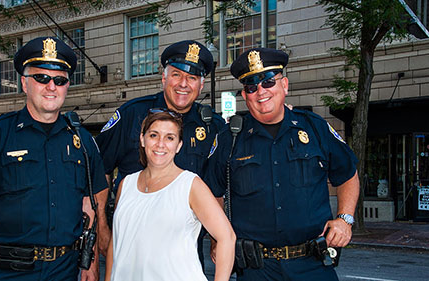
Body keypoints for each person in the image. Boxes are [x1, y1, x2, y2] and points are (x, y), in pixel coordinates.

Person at [0, 37, 107, 281]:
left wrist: (90, 262)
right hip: (9, 271)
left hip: (65, 270)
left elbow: (90, 206)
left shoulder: (82, 141)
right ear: (24, 82)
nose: (51, 86)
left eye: (60, 80)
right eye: (41, 78)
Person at [205, 48, 360, 280]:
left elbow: (347, 174)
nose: (260, 92)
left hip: (313, 265)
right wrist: (219, 237)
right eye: (251, 87)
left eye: (268, 82)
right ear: (245, 95)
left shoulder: (314, 128)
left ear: (284, 85)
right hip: (256, 269)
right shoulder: (229, 139)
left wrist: (345, 219)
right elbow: (211, 193)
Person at [95, 40, 226, 262]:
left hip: (185, 252)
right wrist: (101, 228)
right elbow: (100, 169)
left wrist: (216, 238)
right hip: (129, 245)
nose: (183, 84)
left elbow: (215, 187)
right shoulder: (132, 114)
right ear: (164, 77)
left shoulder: (213, 127)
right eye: (176, 75)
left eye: (192, 78)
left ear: (201, 85)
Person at [104, 109, 235, 281]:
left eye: (170, 138)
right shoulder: (125, 185)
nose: (160, 144)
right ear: (142, 139)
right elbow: (116, 243)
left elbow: (227, 237)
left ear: (179, 145)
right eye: (154, 135)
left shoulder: (190, 185)